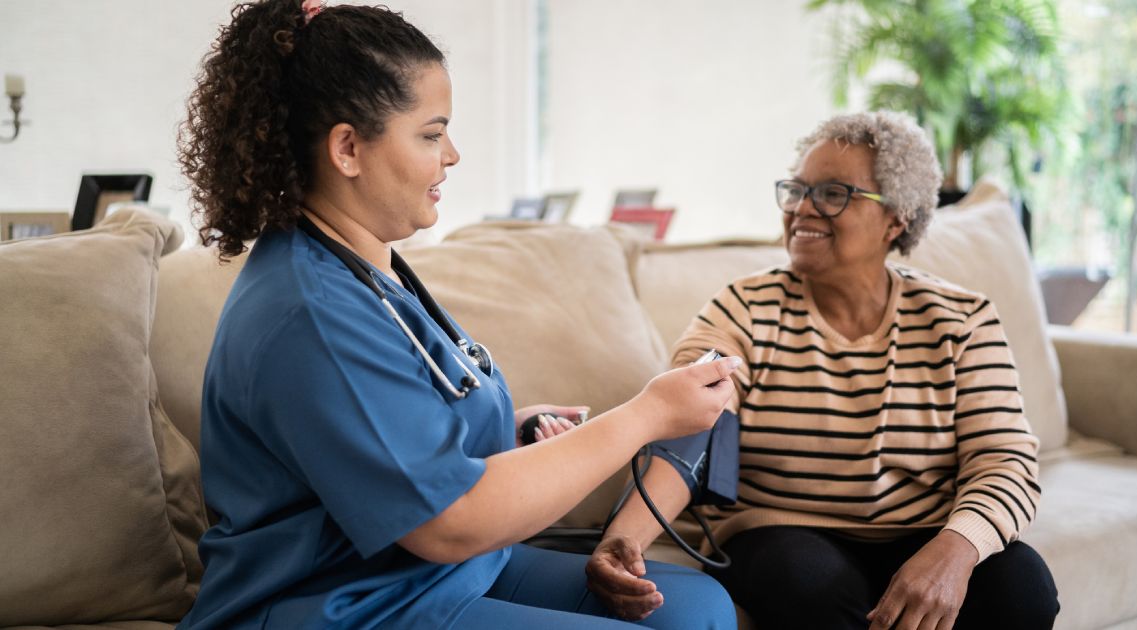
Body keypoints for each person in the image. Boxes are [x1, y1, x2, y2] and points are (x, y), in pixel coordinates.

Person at [174, 1, 740, 628]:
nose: (453, 156)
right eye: (431, 133)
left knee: (699, 608)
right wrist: (648, 416)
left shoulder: (366, 264)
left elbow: (401, 432)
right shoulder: (312, 313)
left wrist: (513, 429)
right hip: (345, 606)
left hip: (427, 577)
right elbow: (450, 522)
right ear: (348, 148)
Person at [587, 111, 1060, 629]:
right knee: (810, 584)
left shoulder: (961, 320)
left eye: (833, 193)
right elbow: (688, 422)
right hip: (782, 531)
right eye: (796, 190)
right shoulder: (745, 308)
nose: (802, 208)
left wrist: (956, 548)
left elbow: (1004, 457)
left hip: (923, 526)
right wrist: (625, 538)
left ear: (896, 217)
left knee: (1024, 586)